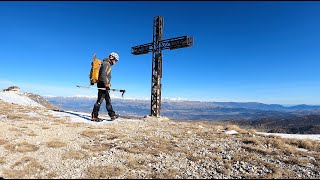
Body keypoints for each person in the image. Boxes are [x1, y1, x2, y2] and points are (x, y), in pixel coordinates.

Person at [91, 52, 119, 121]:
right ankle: (95, 116)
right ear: (112, 58)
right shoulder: (107, 64)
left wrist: (108, 83)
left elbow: (104, 76)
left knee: (107, 100)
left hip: (103, 84)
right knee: (100, 100)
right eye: (115, 60)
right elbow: (103, 75)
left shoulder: (105, 63)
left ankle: (112, 115)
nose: (115, 62)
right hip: (103, 85)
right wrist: (106, 84)